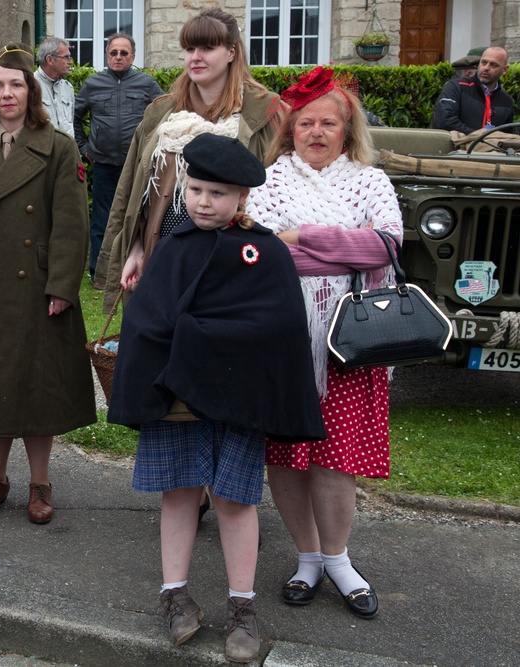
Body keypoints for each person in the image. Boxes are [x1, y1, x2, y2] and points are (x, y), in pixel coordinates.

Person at [108, 133, 325, 664]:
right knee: (180, 493)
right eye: (196, 189)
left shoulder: (267, 253)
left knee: (233, 500)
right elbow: (145, 322)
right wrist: (188, 339)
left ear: (243, 198)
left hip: (238, 398)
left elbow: (277, 327)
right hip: (176, 399)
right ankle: (175, 597)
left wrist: (200, 336)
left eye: (218, 193)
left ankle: (242, 609)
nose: (204, 201)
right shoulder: (171, 249)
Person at [246, 65, 404, 620]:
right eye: (306, 122)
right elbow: (261, 253)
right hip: (284, 340)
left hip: (349, 342)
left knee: (336, 459)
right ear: (290, 130)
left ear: (346, 129)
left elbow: (385, 247)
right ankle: (307, 558)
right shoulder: (268, 181)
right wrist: (340, 247)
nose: (316, 131)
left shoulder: (369, 180)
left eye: (328, 123)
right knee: (286, 455)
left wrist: (300, 237)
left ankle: (338, 560)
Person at [0, 43, 96, 525]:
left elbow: (71, 224)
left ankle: (40, 482)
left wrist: (62, 287)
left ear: (31, 90)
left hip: (36, 286)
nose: (7, 93)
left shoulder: (58, 146)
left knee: (36, 385)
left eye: (16, 84)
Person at [96, 8, 277, 310]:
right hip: (162, 257)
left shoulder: (264, 112)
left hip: (232, 262)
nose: (196, 57)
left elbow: (280, 194)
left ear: (231, 52)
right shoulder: (161, 112)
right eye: (190, 48)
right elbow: (132, 193)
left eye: (207, 47)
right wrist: (135, 249)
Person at [73, 32, 163, 287]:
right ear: (107, 55)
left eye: (124, 53)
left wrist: (152, 149)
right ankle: (99, 274)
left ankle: (138, 268)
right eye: (114, 52)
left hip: (136, 166)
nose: (118, 57)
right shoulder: (93, 84)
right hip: (103, 165)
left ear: (133, 57)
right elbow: (75, 117)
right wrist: (84, 148)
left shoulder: (146, 84)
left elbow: (166, 112)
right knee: (102, 220)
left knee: (138, 218)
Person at [431, 46, 516, 134]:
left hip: (490, 147)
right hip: (456, 146)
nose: (486, 68)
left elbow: (506, 134)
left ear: (504, 70)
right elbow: (444, 121)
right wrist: (477, 138)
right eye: (483, 62)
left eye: (493, 65)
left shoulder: (506, 101)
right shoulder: (455, 87)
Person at [34, 36, 75, 137]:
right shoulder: (30, 85)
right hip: (42, 151)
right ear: (50, 59)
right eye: (66, 57)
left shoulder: (68, 88)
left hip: (66, 151)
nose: (70, 62)